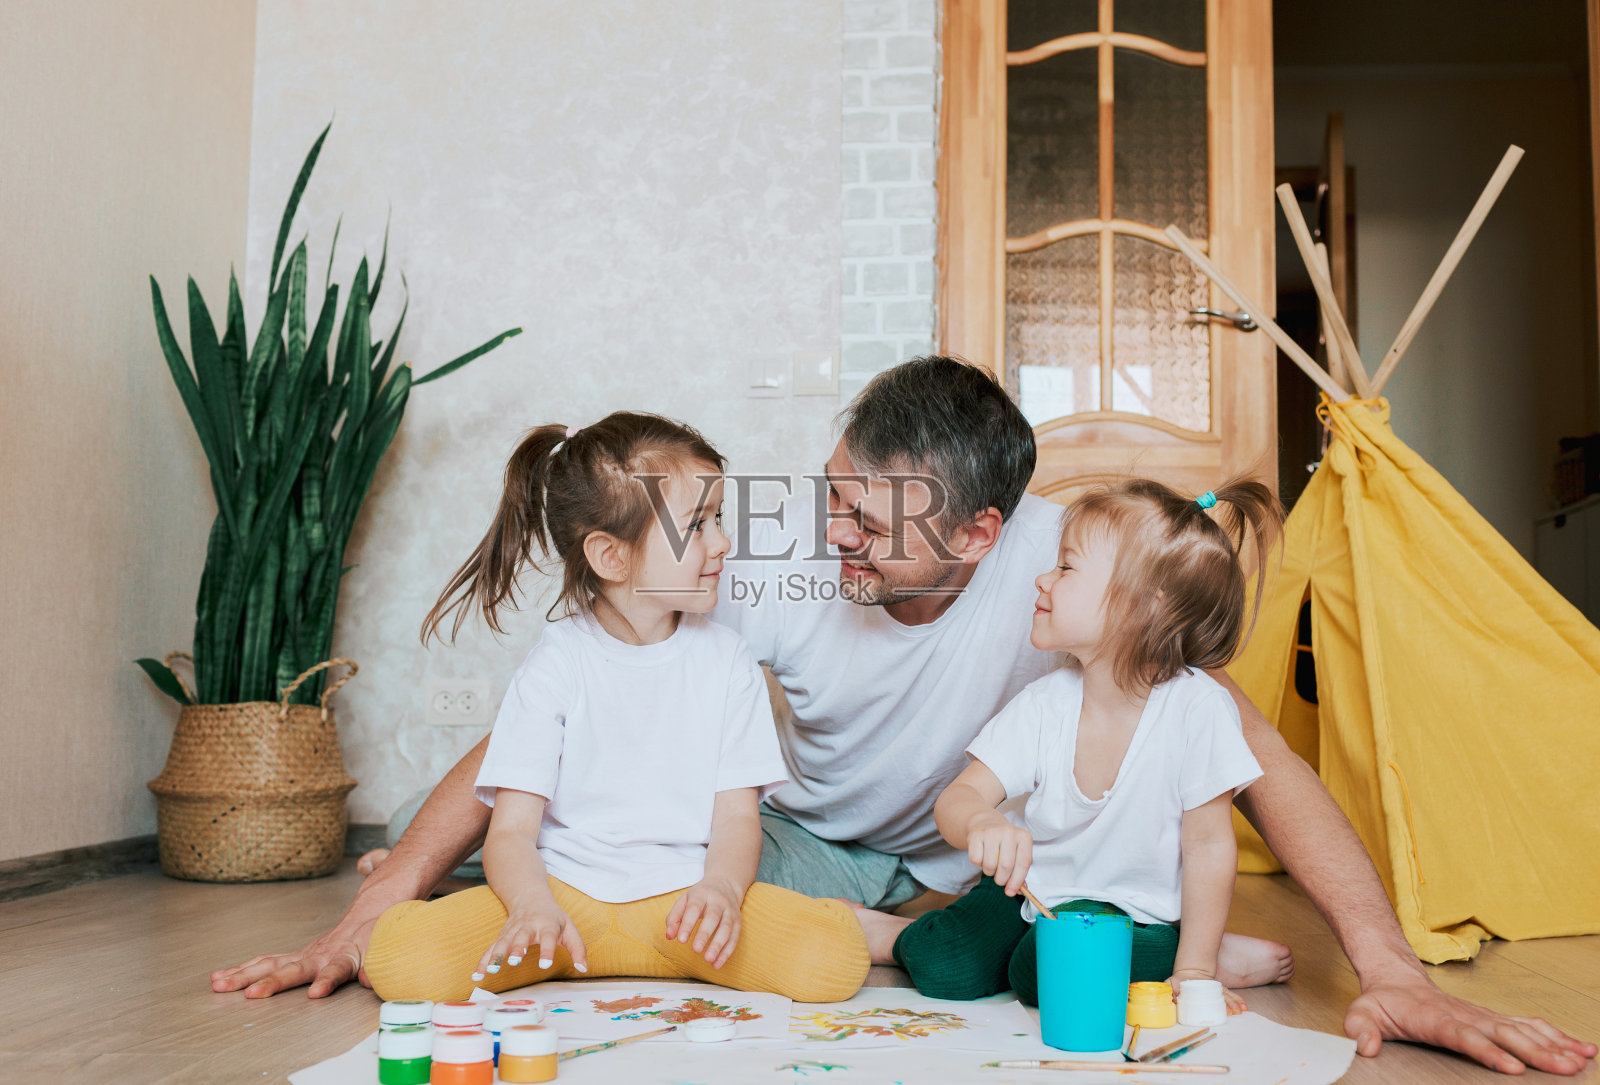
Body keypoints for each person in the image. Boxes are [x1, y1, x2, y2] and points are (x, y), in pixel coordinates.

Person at [214, 358, 1595, 1077]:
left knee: (1023, 913)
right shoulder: (768, 549)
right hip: (800, 844)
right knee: (572, 862)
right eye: (832, 496)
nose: (835, 538)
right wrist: (381, 891)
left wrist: (1388, 966)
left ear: (988, 534)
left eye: (872, 524)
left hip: (976, 863)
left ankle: (1052, 937)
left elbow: (1252, 757)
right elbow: (544, 723)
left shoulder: (1071, 566)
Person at [356, 412, 868, 1004]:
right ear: (612, 557)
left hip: (682, 908)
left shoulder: (730, 662)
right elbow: (512, 833)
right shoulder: (556, 665)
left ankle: (662, 949)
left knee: (832, 961)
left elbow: (736, 820)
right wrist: (531, 908)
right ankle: (545, 947)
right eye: (696, 526)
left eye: (718, 518)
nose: (724, 542)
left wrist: (723, 892)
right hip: (561, 900)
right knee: (400, 961)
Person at [884, 477, 1284, 1010]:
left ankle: (1203, 954)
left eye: (1066, 567)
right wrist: (981, 821)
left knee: (1041, 972)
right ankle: (886, 937)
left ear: (1143, 606)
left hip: (1132, 912)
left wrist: (1194, 970)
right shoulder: (1044, 703)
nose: (1043, 580)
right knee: (945, 968)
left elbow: (1209, 847)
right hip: (1030, 892)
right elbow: (957, 798)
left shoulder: (1199, 711)